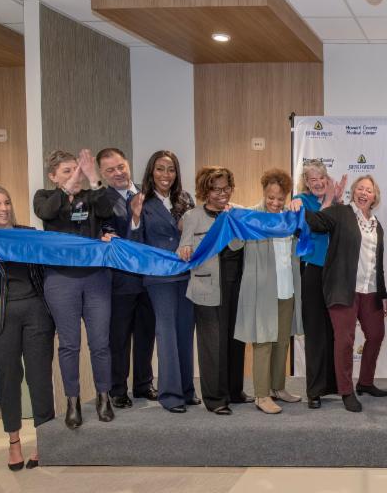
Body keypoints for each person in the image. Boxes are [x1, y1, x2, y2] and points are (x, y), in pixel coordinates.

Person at [0, 185, 54, 471]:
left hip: (36, 313)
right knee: (8, 379)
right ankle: (14, 442)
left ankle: (45, 440)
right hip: (0, 319)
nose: (4, 208)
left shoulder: (27, 234)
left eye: (6, 202)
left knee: (39, 377)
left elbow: (46, 269)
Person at [33, 148, 116, 427]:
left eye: (77, 169)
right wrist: (67, 188)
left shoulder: (91, 196)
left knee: (100, 343)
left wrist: (93, 179)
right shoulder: (45, 197)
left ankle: (104, 397)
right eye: (68, 171)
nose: (75, 176)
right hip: (61, 280)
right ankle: (73, 401)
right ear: (53, 176)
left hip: (96, 279)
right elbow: (47, 213)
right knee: (69, 345)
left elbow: (108, 211)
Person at [301, 175, 387, 412]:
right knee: (345, 340)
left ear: (375, 197)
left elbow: (377, 263)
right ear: (353, 192)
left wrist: (382, 294)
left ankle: (365, 382)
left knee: (376, 334)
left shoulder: (376, 225)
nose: (364, 193)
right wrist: (299, 203)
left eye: (369, 190)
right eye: (360, 188)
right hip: (344, 288)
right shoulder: (341, 213)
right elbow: (316, 222)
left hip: (370, 290)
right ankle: (346, 390)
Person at [129, 150, 198, 413]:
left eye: (170, 169)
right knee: (166, 334)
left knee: (184, 332)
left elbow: (192, 235)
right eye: (160, 169)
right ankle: (170, 395)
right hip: (159, 277)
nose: (165, 175)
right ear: (151, 171)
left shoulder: (185, 199)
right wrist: (135, 218)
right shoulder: (141, 202)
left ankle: (187, 390)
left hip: (185, 273)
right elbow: (135, 245)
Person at [179, 166, 250, 415]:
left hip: (236, 285)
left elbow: (239, 244)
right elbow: (184, 246)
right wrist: (185, 249)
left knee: (235, 339)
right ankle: (215, 398)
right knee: (213, 345)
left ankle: (234, 390)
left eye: (226, 188)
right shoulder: (193, 216)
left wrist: (229, 220)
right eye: (216, 189)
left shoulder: (236, 212)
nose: (222, 193)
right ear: (205, 190)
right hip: (207, 287)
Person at [235, 169, 304, 414]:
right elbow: (234, 244)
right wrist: (232, 219)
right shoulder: (252, 216)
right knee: (263, 342)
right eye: (270, 197)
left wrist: (299, 206)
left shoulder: (290, 216)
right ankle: (261, 395)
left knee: (282, 341)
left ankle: (278, 387)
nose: (275, 203)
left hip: (287, 288)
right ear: (264, 192)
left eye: (279, 198)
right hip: (262, 291)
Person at [96, 147, 156, 409]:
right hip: (120, 282)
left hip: (150, 280)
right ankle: (118, 389)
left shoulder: (149, 191)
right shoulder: (101, 201)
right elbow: (108, 235)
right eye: (110, 170)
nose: (118, 173)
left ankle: (144, 385)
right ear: (102, 174)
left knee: (146, 335)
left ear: (128, 163)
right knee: (118, 339)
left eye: (120, 166)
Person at [295, 160, 343, 408]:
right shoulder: (300, 201)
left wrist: (336, 203)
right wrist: (328, 203)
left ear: (326, 178)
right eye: (311, 178)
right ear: (306, 181)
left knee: (333, 329)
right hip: (312, 270)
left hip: (334, 272)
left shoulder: (335, 202)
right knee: (314, 332)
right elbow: (315, 224)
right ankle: (313, 391)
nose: (316, 182)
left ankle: (331, 384)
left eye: (320, 178)